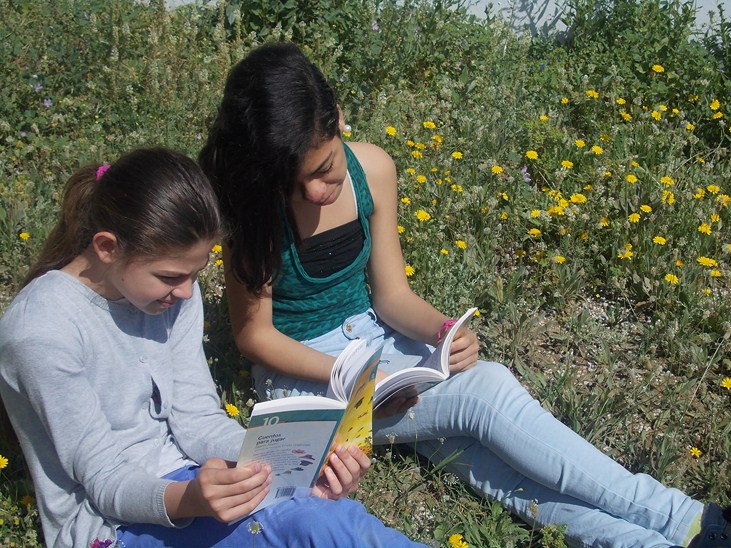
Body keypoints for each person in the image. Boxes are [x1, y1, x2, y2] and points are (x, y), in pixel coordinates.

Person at [199, 42, 731, 548]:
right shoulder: (253, 203)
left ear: (338, 118)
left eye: (322, 170)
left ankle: (643, 540)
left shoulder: (372, 171)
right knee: (484, 393)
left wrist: (441, 331)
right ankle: (684, 516)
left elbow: (392, 296)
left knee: (474, 452)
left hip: (374, 345)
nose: (315, 191)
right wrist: (353, 378)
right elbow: (254, 336)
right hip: (305, 380)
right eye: (295, 183)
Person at [0, 147, 425, 548]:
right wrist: (193, 500)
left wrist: (291, 469)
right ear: (107, 248)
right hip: (111, 524)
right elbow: (106, 481)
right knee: (318, 528)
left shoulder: (169, 291)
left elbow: (197, 420)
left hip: (194, 482)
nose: (187, 292)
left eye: (196, 273)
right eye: (171, 277)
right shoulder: (43, 331)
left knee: (327, 521)